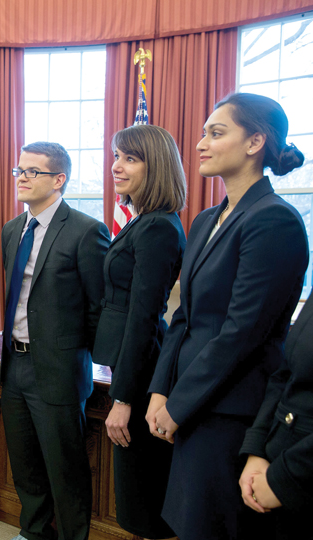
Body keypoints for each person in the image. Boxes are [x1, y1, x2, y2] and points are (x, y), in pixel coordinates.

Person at [146, 93, 308, 540]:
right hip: (191, 403)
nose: (201, 143)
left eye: (216, 133)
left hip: (231, 410)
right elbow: (184, 317)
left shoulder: (274, 220)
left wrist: (179, 405)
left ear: (255, 142)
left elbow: (242, 332)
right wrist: (161, 390)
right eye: (203, 133)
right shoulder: (205, 221)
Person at [1, 142, 110, 540]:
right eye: (20, 171)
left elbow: (99, 304)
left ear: (58, 179)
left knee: (65, 469)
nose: (23, 178)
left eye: (33, 171)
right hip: (14, 365)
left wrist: (99, 360)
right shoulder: (13, 230)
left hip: (60, 369)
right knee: (25, 464)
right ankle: (33, 533)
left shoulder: (86, 230)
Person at [94, 125, 187, 539]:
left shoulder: (159, 228)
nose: (116, 166)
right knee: (133, 498)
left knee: (143, 501)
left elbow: (144, 319)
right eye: (116, 156)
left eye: (130, 158)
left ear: (157, 167)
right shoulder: (142, 222)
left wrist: (124, 399)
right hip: (129, 368)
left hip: (144, 376)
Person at [240, 296, 313, 540]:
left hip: (299, 479)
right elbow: (286, 372)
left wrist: (285, 477)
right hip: (272, 468)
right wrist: (257, 449)